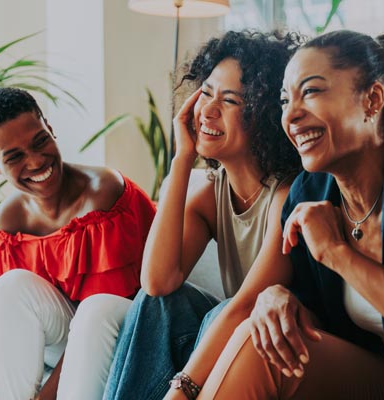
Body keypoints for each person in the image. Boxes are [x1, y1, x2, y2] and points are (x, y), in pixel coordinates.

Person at [193, 30, 384, 399]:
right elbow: (306, 310)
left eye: (310, 92)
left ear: (372, 100)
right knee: (261, 339)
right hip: (361, 374)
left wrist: (339, 255)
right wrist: (276, 300)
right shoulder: (310, 192)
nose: (291, 115)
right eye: (284, 100)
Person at [103, 31, 304, 400]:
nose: (208, 110)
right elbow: (157, 284)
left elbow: (246, 304)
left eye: (229, 101)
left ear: (264, 113)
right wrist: (181, 159)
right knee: (160, 305)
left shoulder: (289, 193)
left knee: (228, 309)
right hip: (237, 330)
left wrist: (180, 390)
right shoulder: (210, 191)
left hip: (281, 343)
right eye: (206, 93)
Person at [0, 87, 156, 400]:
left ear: (51, 130)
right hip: (69, 339)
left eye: (40, 141)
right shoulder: (11, 220)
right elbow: (17, 320)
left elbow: (103, 315)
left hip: (127, 332)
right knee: (8, 287)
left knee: (95, 309)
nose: (36, 161)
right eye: (14, 157)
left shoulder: (103, 192)